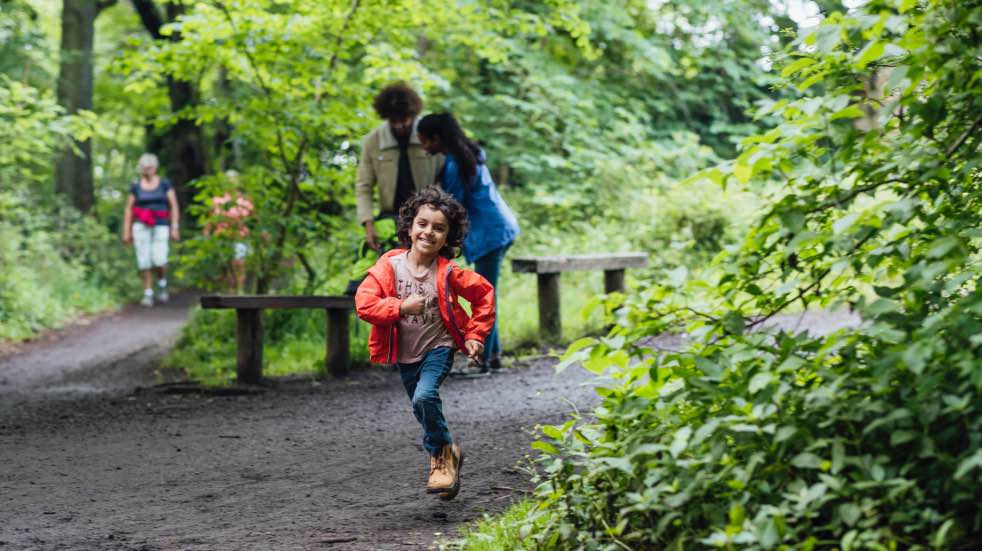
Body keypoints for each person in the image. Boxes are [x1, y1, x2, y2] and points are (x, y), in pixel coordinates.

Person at [355, 188, 495, 500]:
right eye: (423, 223)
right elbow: (364, 305)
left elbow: (484, 294)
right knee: (422, 408)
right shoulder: (388, 267)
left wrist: (474, 335)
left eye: (439, 227)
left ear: (449, 237)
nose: (429, 232)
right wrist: (400, 308)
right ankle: (447, 456)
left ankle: (442, 457)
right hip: (405, 355)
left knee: (424, 396)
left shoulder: (449, 273)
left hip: (439, 346)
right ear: (408, 226)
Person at [416, 113, 520, 372]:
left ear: (436, 138)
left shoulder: (455, 165)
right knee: (487, 293)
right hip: (499, 227)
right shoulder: (468, 154)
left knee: (483, 297)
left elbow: (452, 209)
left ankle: (482, 358)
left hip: (490, 233)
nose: (423, 147)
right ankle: (492, 356)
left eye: (424, 141)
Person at [354, 82, 444, 253]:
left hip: (427, 218)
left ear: (412, 114)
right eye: (394, 120)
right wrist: (368, 223)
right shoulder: (373, 141)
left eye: (404, 119)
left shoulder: (430, 135)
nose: (399, 125)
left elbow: (443, 178)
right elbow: (363, 186)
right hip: (389, 218)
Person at [122, 153, 180, 307]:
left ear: (155, 168)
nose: (147, 170)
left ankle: (161, 283)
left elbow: (173, 205)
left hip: (160, 225)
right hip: (141, 226)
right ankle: (148, 292)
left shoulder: (164, 184)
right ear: (141, 169)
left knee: (159, 259)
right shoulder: (136, 186)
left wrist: (174, 227)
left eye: (150, 167)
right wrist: (126, 231)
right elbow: (129, 209)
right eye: (145, 168)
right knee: (144, 260)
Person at [205, 170, 253, 293]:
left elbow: (253, 219)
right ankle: (229, 292)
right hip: (222, 237)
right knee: (226, 266)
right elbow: (211, 219)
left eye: (234, 179)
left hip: (239, 236)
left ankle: (240, 291)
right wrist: (206, 232)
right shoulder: (217, 201)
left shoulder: (244, 200)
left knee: (239, 264)